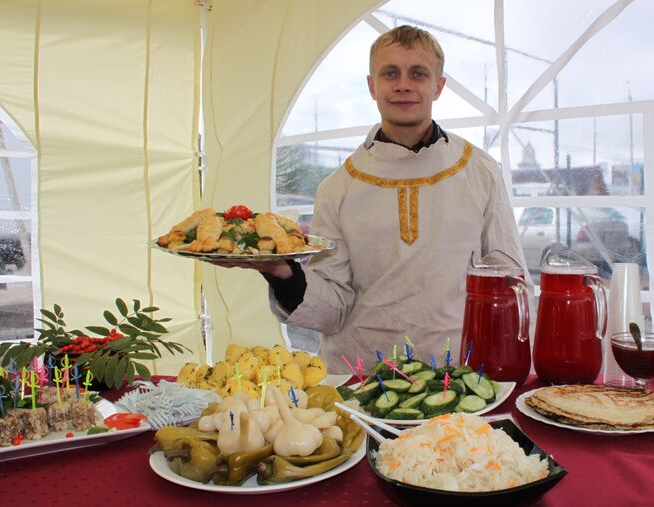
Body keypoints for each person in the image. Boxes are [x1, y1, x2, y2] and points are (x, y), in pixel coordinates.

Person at [220, 25, 530, 373]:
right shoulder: (338, 187)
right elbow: (333, 308)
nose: (403, 84)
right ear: (372, 85)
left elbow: (510, 281)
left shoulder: (480, 171)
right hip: (363, 375)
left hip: (458, 372)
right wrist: (280, 271)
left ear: (438, 86)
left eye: (418, 73)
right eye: (390, 73)